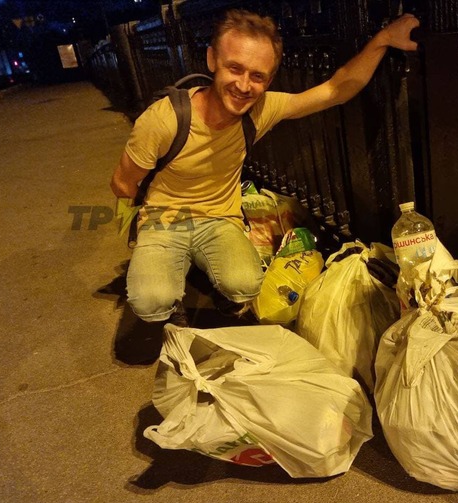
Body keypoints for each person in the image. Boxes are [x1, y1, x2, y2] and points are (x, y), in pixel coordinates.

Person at [110, 9, 420, 326]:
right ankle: (170, 293)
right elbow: (122, 183)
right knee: (151, 302)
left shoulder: (259, 110)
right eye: (234, 68)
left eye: (257, 76)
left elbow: (335, 89)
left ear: (268, 80)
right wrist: (135, 233)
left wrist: (382, 39)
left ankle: (220, 287)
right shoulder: (165, 119)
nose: (244, 86)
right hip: (165, 219)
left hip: (218, 219)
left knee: (245, 285)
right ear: (212, 60)